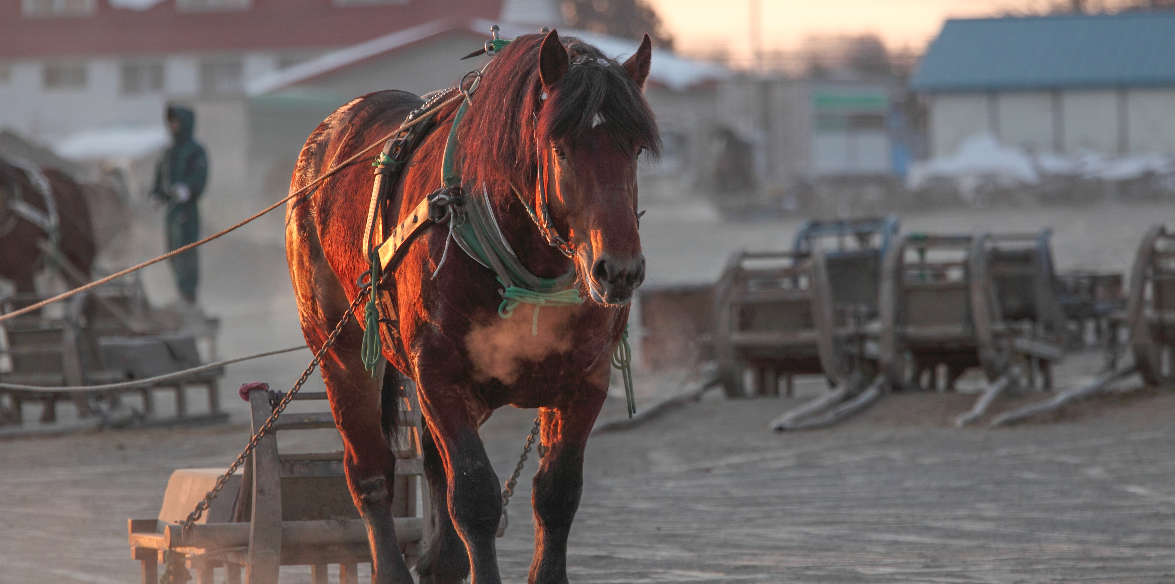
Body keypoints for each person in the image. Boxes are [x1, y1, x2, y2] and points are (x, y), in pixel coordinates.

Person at [151, 104, 208, 305]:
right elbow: (161, 176)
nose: (173, 126)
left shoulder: (196, 151)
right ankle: (180, 290)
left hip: (188, 210)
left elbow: (200, 176)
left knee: (187, 250)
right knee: (172, 249)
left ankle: (189, 293)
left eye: (176, 122)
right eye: (171, 123)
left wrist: (189, 189)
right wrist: (157, 194)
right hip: (172, 211)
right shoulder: (168, 153)